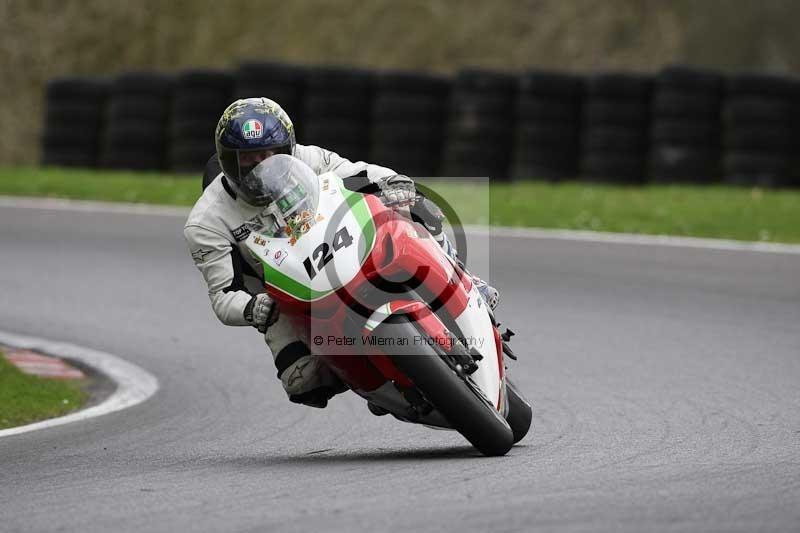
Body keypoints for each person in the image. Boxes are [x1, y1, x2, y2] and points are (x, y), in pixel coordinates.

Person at [184, 97, 499, 408]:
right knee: (304, 381)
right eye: (248, 159)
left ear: (287, 149)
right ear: (227, 162)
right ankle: (377, 382)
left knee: (415, 208)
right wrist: (254, 308)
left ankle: (466, 279)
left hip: (338, 243)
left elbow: (359, 173)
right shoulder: (206, 221)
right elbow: (223, 295)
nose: (261, 167)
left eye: (270, 155)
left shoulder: (308, 158)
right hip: (280, 293)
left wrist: (394, 183)